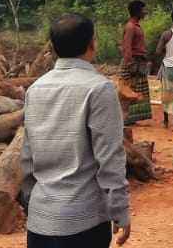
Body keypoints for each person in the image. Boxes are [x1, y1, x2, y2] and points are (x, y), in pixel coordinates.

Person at [21, 14, 131, 248]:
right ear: (92, 44)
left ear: (52, 48)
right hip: (84, 221)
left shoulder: (35, 89)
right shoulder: (98, 88)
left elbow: (27, 157)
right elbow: (110, 156)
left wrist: (34, 204)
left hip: (40, 221)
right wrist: (119, 210)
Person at [119, 0, 152, 125]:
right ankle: (124, 118)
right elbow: (126, 47)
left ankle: (130, 118)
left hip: (138, 61)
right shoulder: (131, 27)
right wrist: (131, 64)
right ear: (137, 11)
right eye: (143, 9)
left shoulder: (135, 26)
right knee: (128, 90)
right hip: (133, 63)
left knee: (136, 90)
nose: (145, 12)